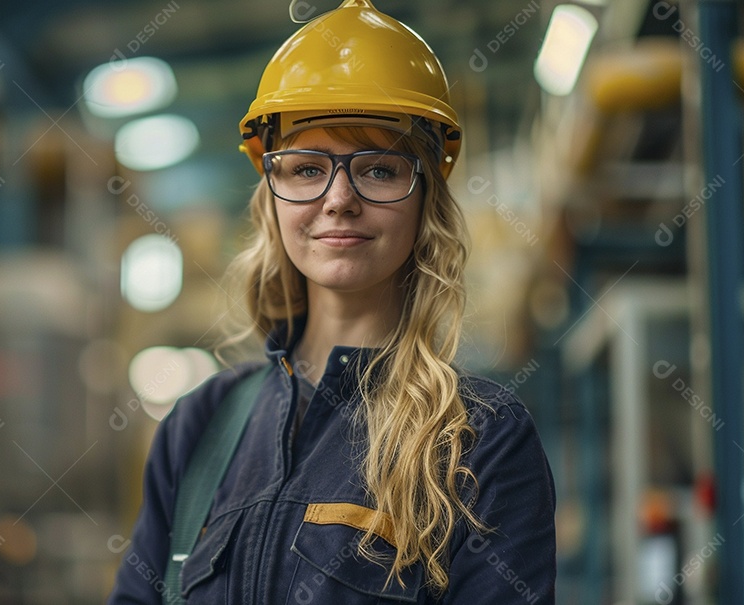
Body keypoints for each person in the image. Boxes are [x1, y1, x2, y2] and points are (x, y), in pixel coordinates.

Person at [107, 0, 556, 602]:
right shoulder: (199, 428)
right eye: (305, 168)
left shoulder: (481, 443)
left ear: (426, 201)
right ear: (271, 193)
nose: (339, 198)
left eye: (378, 169)